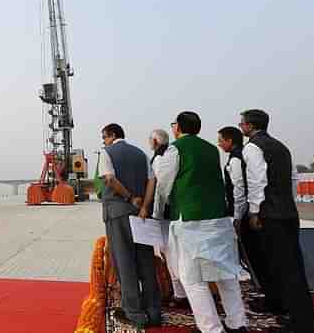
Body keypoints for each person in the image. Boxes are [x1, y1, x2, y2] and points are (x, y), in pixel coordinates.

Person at [155, 112, 247, 333]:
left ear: (178, 127)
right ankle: (237, 323)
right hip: (218, 218)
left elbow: (163, 186)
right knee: (226, 273)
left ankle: (211, 328)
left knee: (192, 278)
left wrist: (157, 216)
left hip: (190, 220)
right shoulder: (211, 149)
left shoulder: (175, 149)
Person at [239, 109, 314, 333]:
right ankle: (295, 315)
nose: (240, 126)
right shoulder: (281, 146)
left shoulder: (253, 147)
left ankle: (300, 323)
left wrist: (254, 211)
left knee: (283, 269)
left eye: (242, 123)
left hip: (269, 215)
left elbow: (257, 181)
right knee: (291, 267)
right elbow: (293, 179)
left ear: (250, 126)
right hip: (287, 212)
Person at [99, 123, 161, 328]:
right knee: (145, 260)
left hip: (118, 213)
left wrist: (129, 197)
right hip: (140, 215)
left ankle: (133, 312)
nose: (104, 142)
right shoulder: (141, 154)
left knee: (124, 261)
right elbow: (152, 181)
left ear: (112, 135)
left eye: (104, 137)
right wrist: (144, 206)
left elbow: (109, 179)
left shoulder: (107, 153)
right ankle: (153, 310)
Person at [217, 126, 269, 293]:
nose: (219, 144)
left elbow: (239, 188)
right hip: (249, 209)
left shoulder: (236, 159)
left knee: (251, 253)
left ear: (229, 141)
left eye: (221, 140)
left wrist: (238, 216)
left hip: (245, 211)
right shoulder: (241, 155)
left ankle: (263, 287)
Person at [141, 129, 188, 308]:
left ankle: (181, 293)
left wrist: (156, 214)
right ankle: (177, 291)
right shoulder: (164, 155)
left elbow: (161, 187)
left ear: (155, 140)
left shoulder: (163, 157)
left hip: (166, 215)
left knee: (170, 252)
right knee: (169, 252)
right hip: (170, 214)